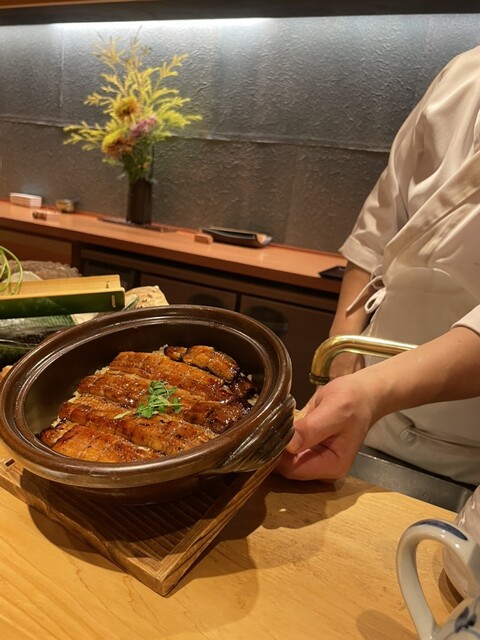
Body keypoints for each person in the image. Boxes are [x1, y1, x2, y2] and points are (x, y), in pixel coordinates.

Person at [277, 45, 480, 487]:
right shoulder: (464, 72)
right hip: (365, 409)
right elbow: (376, 233)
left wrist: (372, 392)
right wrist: (341, 363)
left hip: (467, 447)